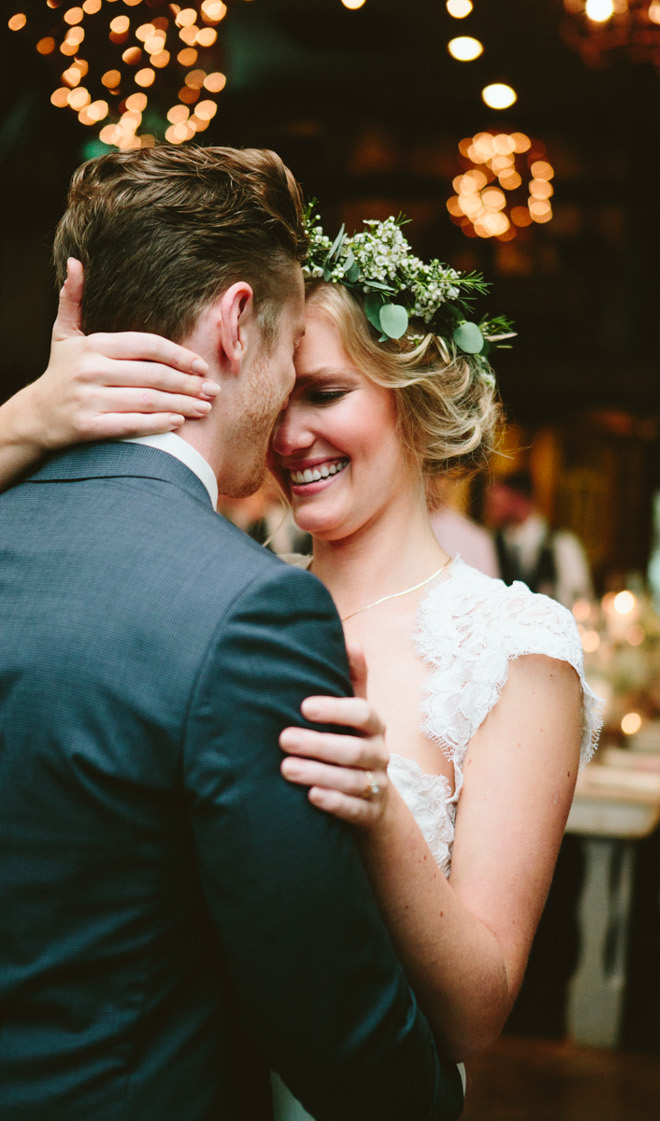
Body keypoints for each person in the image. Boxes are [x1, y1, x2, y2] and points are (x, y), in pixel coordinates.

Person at [0, 162, 603, 1120]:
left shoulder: (514, 646)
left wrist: (378, 811)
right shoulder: (234, 611)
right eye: (279, 398)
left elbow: (479, 1009)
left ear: (408, 392)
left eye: (323, 392)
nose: (288, 436)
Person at [485, 469, 595, 608]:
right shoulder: (492, 543)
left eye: (497, 504)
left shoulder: (562, 544)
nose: (491, 511)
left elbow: (580, 599)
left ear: (518, 499)